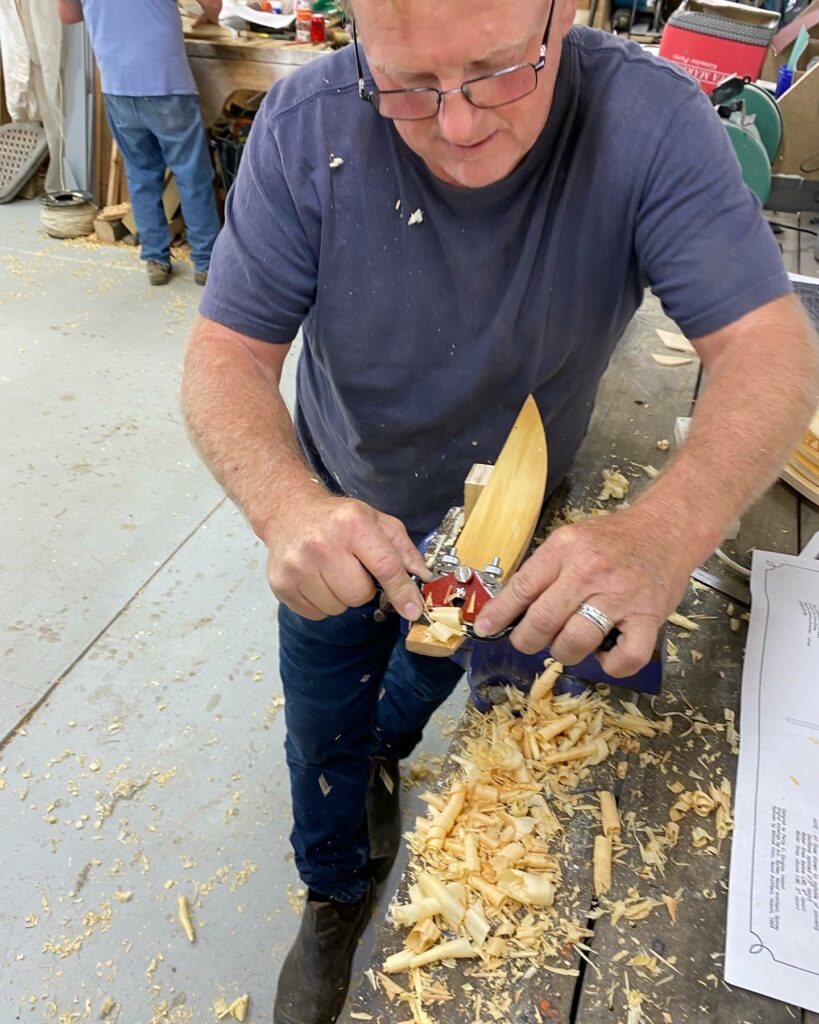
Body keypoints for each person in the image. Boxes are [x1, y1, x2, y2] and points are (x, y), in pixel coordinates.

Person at [181, 0, 819, 1018]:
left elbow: (771, 349)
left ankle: (387, 745)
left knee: (431, 672)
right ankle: (336, 888)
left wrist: (664, 532)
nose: (460, 124)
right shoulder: (308, 126)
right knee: (323, 734)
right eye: (406, 85)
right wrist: (283, 505)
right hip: (341, 511)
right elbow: (225, 356)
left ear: (568, 14)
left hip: (506, 531)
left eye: (495, 71)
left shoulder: (649, 121)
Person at [56, 0, 222, 286]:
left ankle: (156, 259)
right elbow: (213, 4)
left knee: (142, 175)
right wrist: (208, 17)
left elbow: (68, 15)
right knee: (192, 175)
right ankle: (206, 262)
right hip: (167, 84)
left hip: (117, 85)